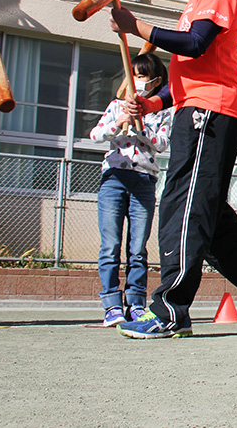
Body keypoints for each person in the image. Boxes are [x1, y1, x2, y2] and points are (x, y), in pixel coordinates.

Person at [109, 0, 237, 338]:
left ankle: (169, 310)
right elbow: (188, 72)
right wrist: (152, 103)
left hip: (210, 112)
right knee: (209, 220)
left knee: (186, 205)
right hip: (201, 109)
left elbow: (195, 44)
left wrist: (136, 25)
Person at [89, 52, 171, 327]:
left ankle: (136, 302)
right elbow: (96, 135)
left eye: (142, 76)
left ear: (155, 81)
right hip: (113, 178)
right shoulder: (116, 106)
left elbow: (161, 144)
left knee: (138, 248)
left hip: (144, 181)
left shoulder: (162, 111)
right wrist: (119, 121)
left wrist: (140, 126)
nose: (137, 81)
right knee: (110, 245)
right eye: (133, 75)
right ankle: (111, 304)